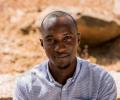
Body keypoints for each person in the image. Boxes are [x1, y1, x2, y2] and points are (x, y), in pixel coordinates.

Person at [13, 11, 117, 100]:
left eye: (67, 38)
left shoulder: (101, 81)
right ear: (42, 44)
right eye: (50, 40)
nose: (60, 48)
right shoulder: (26, 86)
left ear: (78, 39)